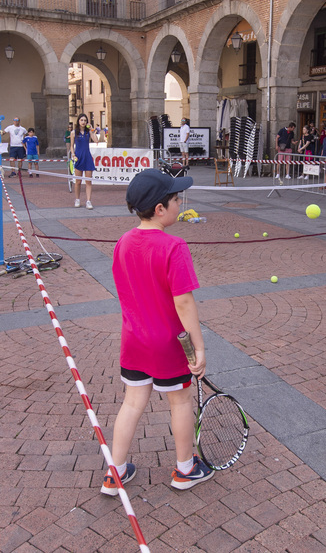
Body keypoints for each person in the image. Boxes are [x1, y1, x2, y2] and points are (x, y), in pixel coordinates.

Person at [103, 168, 212, 495]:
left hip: (134, 341)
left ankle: (115, 473)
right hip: (168, 345)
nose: (181, 203)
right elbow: (184, 302)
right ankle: (184, 469)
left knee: (132, 403)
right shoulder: (173, 246)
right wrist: (199, 345)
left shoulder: (123, 242)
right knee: (179, 402)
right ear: (160, 209)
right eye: (176, 199)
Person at [71, 114, 96, 209]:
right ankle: (77, 199)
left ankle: (88, 201)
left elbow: (96, 140)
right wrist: (73, 155)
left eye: (85, 120)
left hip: (87, 157)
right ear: (78, 121)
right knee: (78, 181)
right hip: (79, 157)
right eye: (81, 120)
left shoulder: (88, 132)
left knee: (88, 181)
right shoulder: (73, 132)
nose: (83, 122)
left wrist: (92, 130)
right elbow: (72, 146)